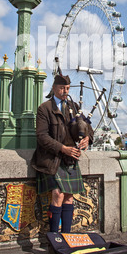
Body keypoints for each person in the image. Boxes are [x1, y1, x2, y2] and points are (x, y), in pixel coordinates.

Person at [31, 74, 93, 233]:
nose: (65, 91)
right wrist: (62, 148)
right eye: (61, 88)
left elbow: (87, 128)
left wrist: (87, 138)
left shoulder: (74, 107)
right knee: (58, 194)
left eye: (67, 88)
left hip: (70, 159)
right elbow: (42, 136)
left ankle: (66, 235)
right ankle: (53, 236)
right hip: (52, 159)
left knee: (69, 196)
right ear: (54, 88)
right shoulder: (45, 108)